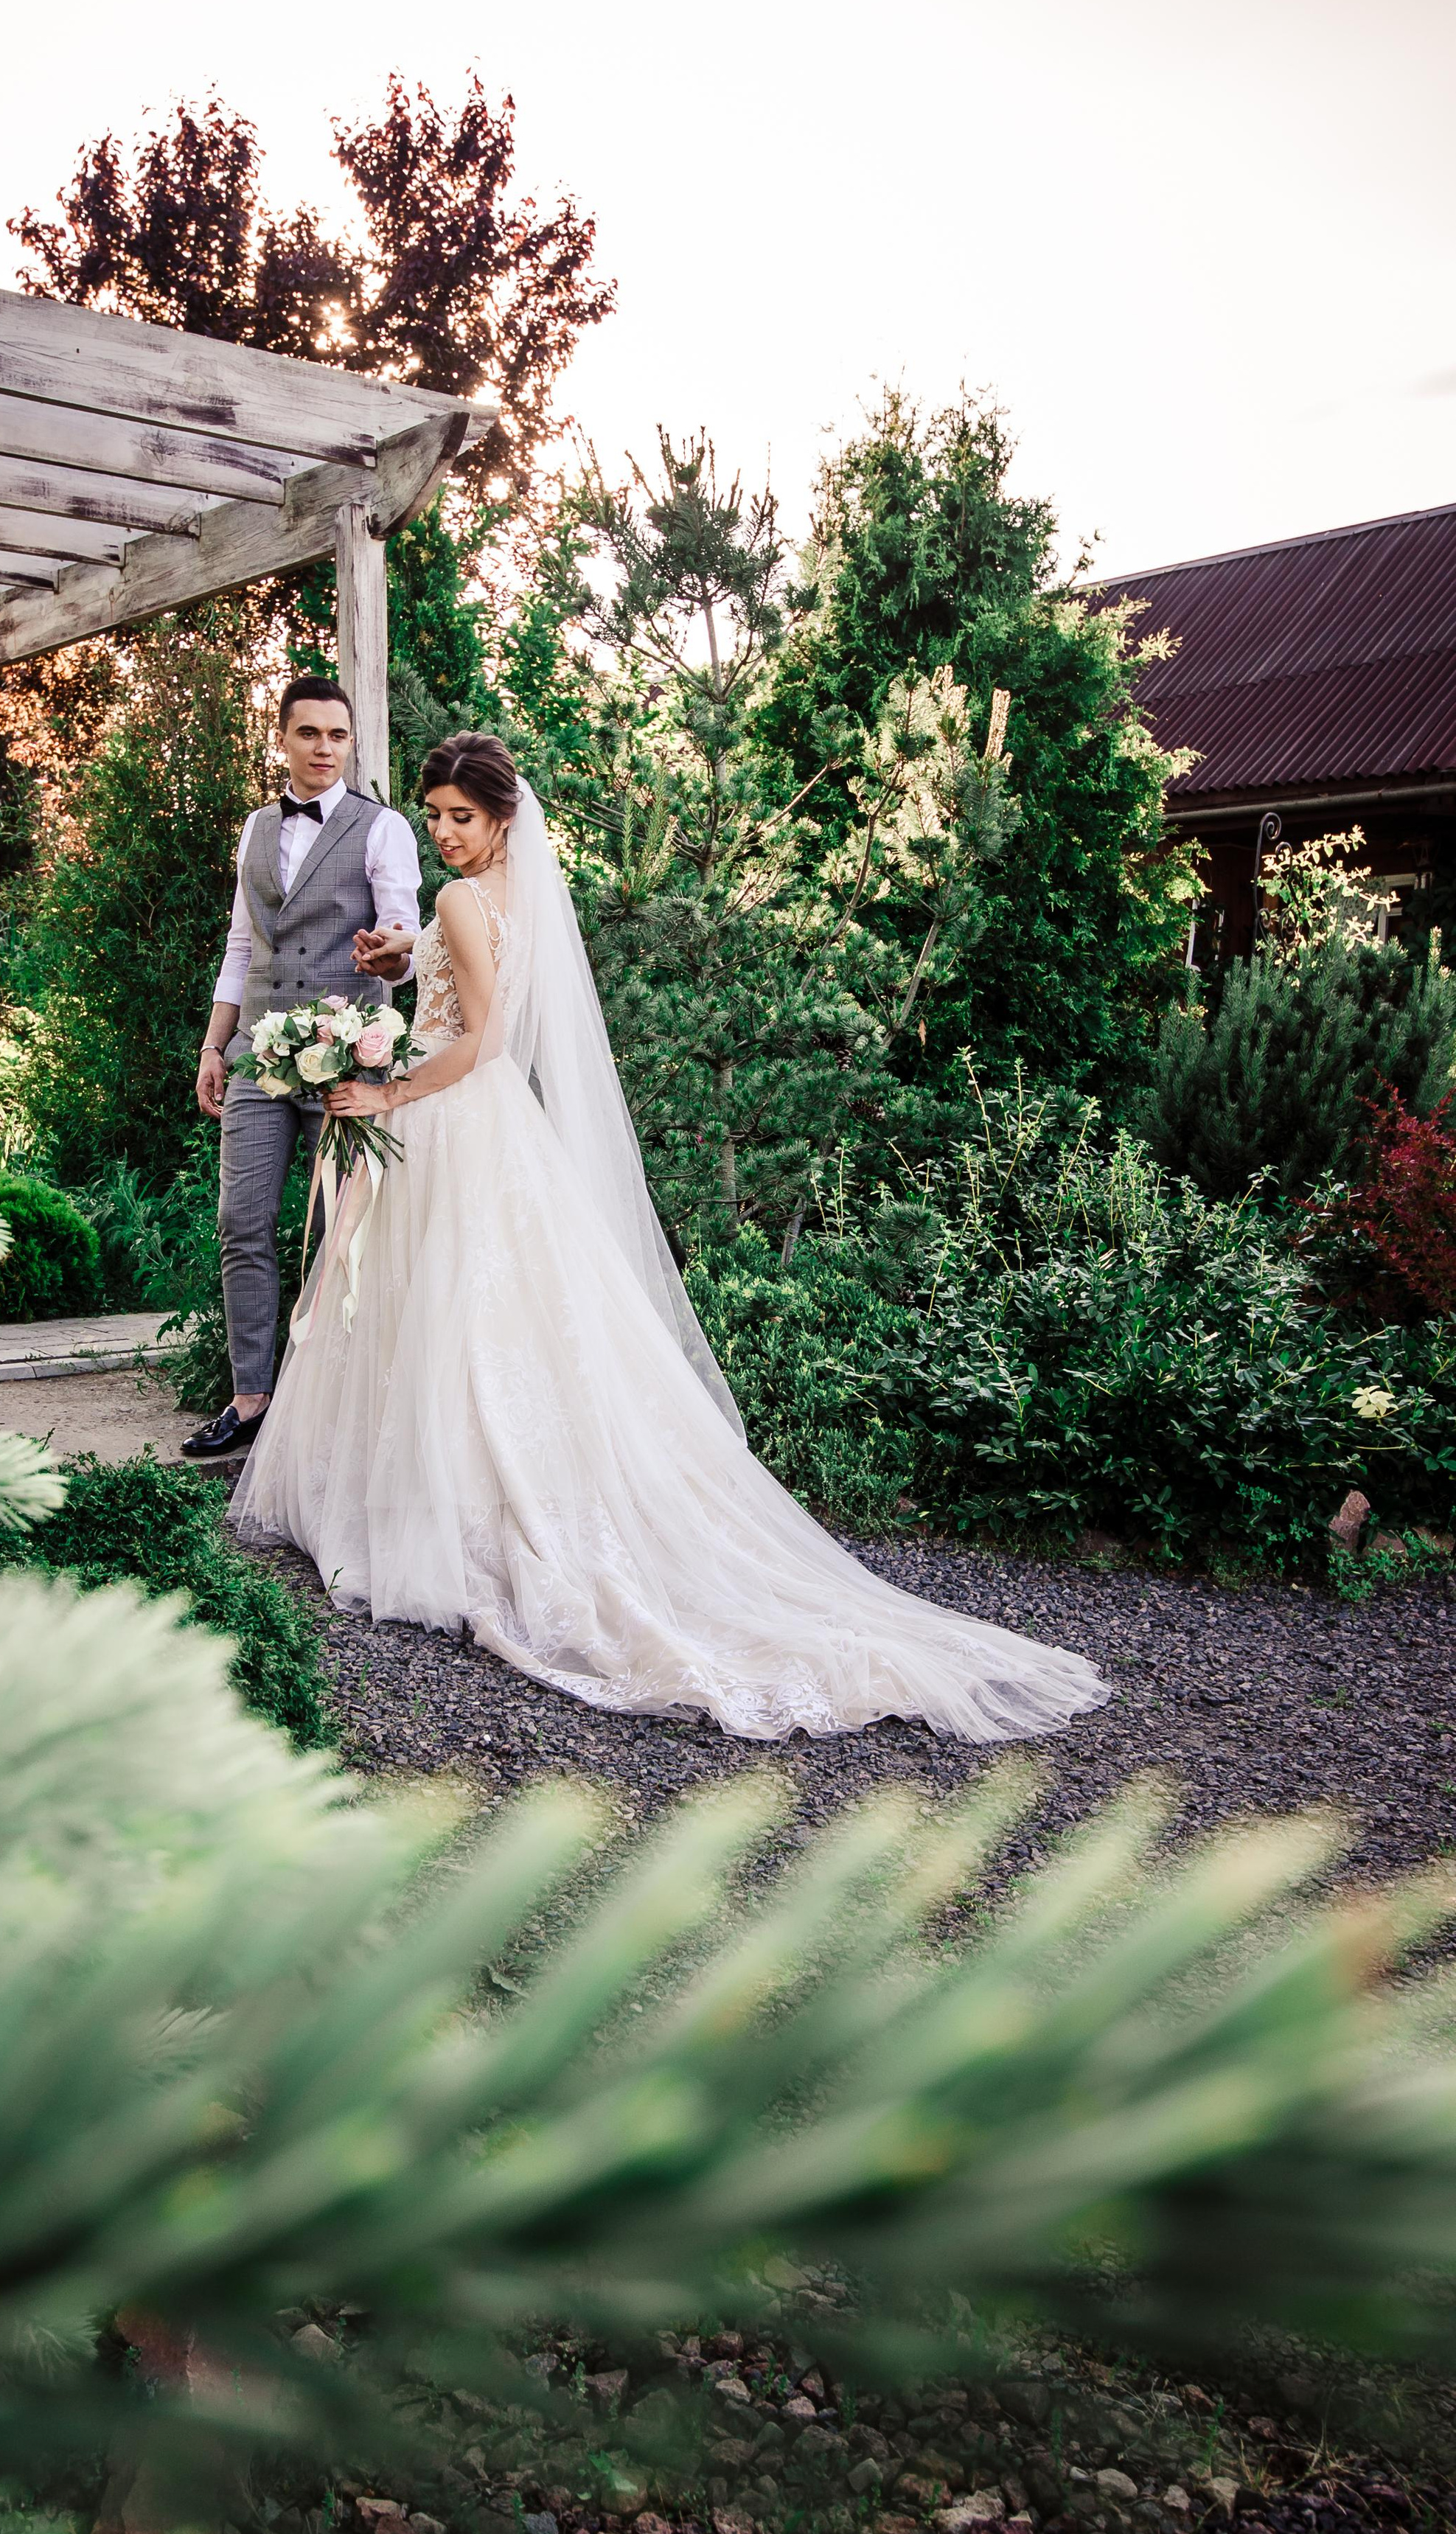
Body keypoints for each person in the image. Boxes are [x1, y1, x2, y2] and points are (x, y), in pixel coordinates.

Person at [230, 734, 1108, 1742]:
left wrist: (386, 1090)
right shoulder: (516, 896)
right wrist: (406, 958)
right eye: (433, 816)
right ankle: (472, 1502)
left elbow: (481, 1040)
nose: (443, 833)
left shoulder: (464, 899)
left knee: (445, 1319)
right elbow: (476, 997)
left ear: (503, 817)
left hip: (445, 1114)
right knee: (493, 1324)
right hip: (494, 1129)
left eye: (460, 817)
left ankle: (436, 1517)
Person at [181, 675, 422, 1467]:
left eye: (337, 735)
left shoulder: (382, 828)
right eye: (309, 733)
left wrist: (389, 956)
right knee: (240, 1222)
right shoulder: (256, 828)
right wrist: (214, 1046)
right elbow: (241, 946)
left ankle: (337, 1409)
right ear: (281, 738)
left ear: (351, 743)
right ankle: (251, 1399)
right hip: (256, 1054)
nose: (324, 748)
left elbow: (405, 937)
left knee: (339, 1233)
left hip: (345, 1057)